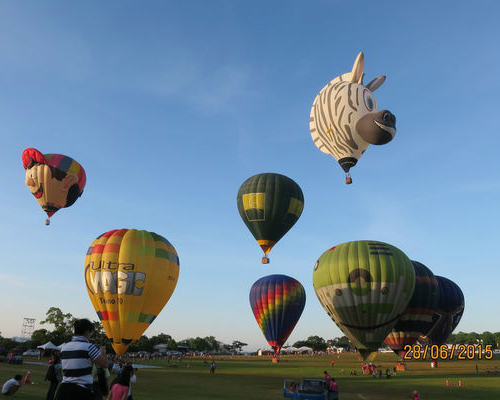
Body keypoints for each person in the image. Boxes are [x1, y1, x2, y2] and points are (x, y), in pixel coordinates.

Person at [55, 319, 109, 400]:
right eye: (91, 332)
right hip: (81, 391)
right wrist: (103, 351)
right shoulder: (89, 347)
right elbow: (105, 364)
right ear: (87, 331)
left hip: (63, 389)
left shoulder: (64, 347)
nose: (91, 335)